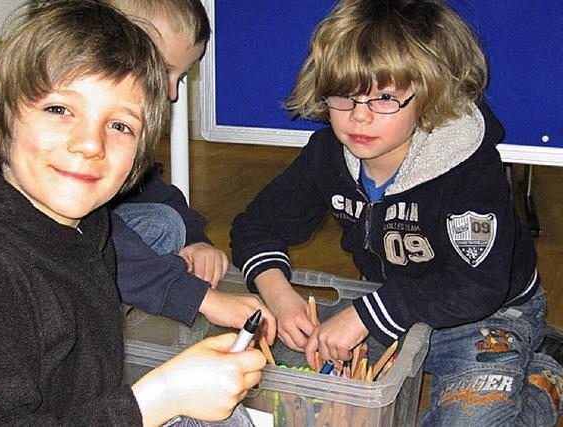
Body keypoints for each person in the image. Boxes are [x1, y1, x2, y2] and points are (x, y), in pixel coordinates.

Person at [0, 2, 265, 425]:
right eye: (59, 110)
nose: (91, 144)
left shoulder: (85, 220)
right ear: (0, 119)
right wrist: (157, 399)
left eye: (120, 126)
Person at [229, 0, 563, 425]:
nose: (359, 116)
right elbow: (256, 226)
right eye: (344, 96)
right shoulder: (329, 156)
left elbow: (478, 286)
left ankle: (545, 377)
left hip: (489, 315)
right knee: (291, 384)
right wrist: (279, 295)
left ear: (428, 94)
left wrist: (366, 315)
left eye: (385, 98)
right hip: (393, 307)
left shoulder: (467, 171)